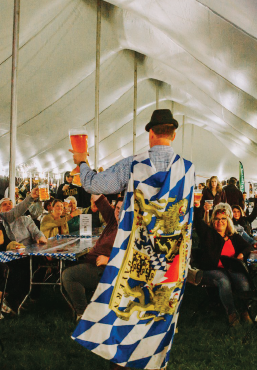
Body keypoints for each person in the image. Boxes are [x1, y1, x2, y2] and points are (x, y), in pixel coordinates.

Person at [70, 109, 194, 370]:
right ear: (173, 133)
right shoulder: (188, 169)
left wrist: (82, 161)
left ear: (150, 133)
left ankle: (123, 359)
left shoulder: (133, 164)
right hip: (169, 260)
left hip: (134, 255)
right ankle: (151, 361)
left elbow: (93, 185)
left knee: (128, 310)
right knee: (159, 312)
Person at [195, 205, 257, 327]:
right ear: (213, 221)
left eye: (223, 219)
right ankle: (232, 314)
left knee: (244, 283)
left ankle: (244, 311)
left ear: (228, 221)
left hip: (230, 269)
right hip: (212, 270)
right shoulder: (208, 235)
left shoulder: (233, 236)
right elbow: (198, 222)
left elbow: (248, 246)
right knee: (223, 281)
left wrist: (242, 253)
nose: (220, 221)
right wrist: (199, 207)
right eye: (217, 219)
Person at [62, 195, 122, 320]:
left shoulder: (130, 230)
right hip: (92, 263)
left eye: (122, 209)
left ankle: (83, 314)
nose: (118, 212)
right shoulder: (113, 221)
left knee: (69, 275)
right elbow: (99, 197)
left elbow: (133, 257)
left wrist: (109, 260)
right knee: (68, 266)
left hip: (106, 270)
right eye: (117, 208)